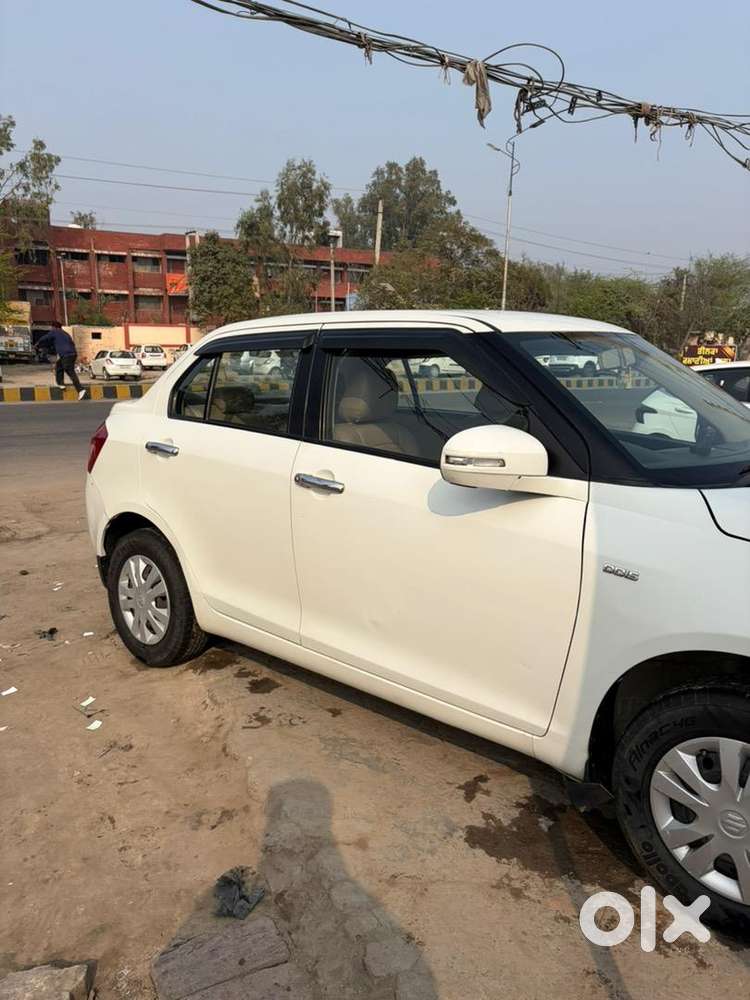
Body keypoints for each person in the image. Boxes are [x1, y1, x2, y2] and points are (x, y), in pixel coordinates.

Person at [35, 321, 86, 399]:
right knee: (59, 366)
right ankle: (60, 383)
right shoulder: (65, 334)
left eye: (52, 328)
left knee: (70, 371)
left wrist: (37, 344)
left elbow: (45, 338)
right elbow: (70, 343)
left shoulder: (55, 332)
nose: (51, 329)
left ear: (54, 327)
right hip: (72, 354)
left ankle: (80, 389)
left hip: (66, 355)